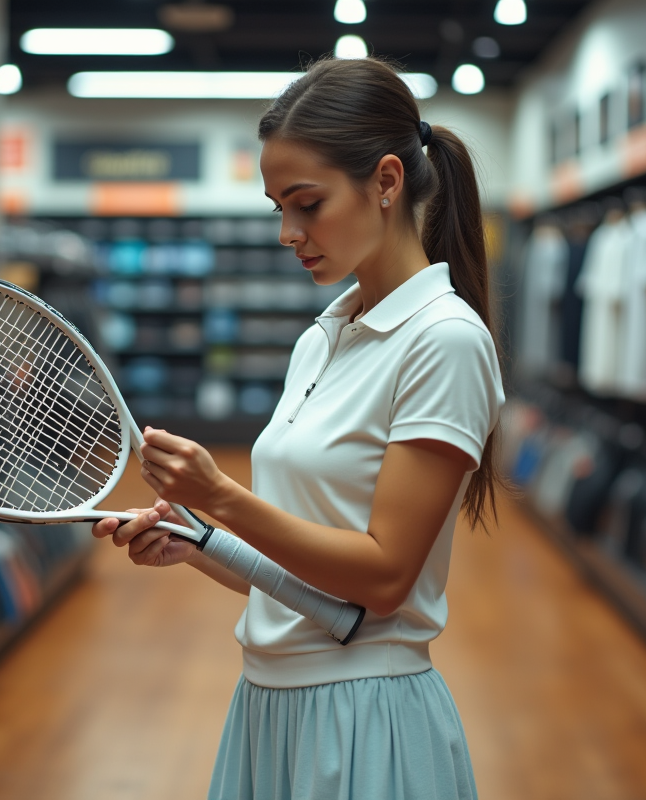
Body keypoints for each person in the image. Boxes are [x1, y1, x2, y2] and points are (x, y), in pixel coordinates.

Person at [92, 56, 507, 800]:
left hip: (364, 718)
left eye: (306, 203)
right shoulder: (323, 335)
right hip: (266, 706)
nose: (288, 231)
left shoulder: (444, 339)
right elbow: (310, 585)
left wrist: (220, 499)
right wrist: (196, 543)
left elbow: (381, 579)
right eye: (277, 206)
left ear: (386, 181)